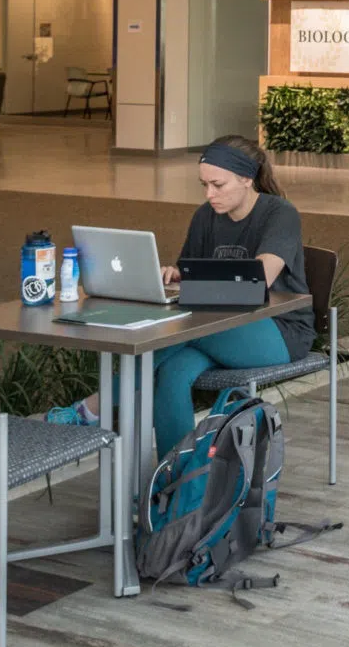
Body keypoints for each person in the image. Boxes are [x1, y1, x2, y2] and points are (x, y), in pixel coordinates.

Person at [47, 135, 313, 455]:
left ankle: (91, 407)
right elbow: (192, 276)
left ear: (246, 178)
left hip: (278, 330)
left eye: (218, 185)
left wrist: (198, 284)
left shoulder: (280, 213)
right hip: (216, 327)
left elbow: (260, 278)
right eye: (204, 185)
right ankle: (174, 486)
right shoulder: (205, 216)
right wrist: (175, 274)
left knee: (174, 332)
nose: (209, 194)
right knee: (173, 373)